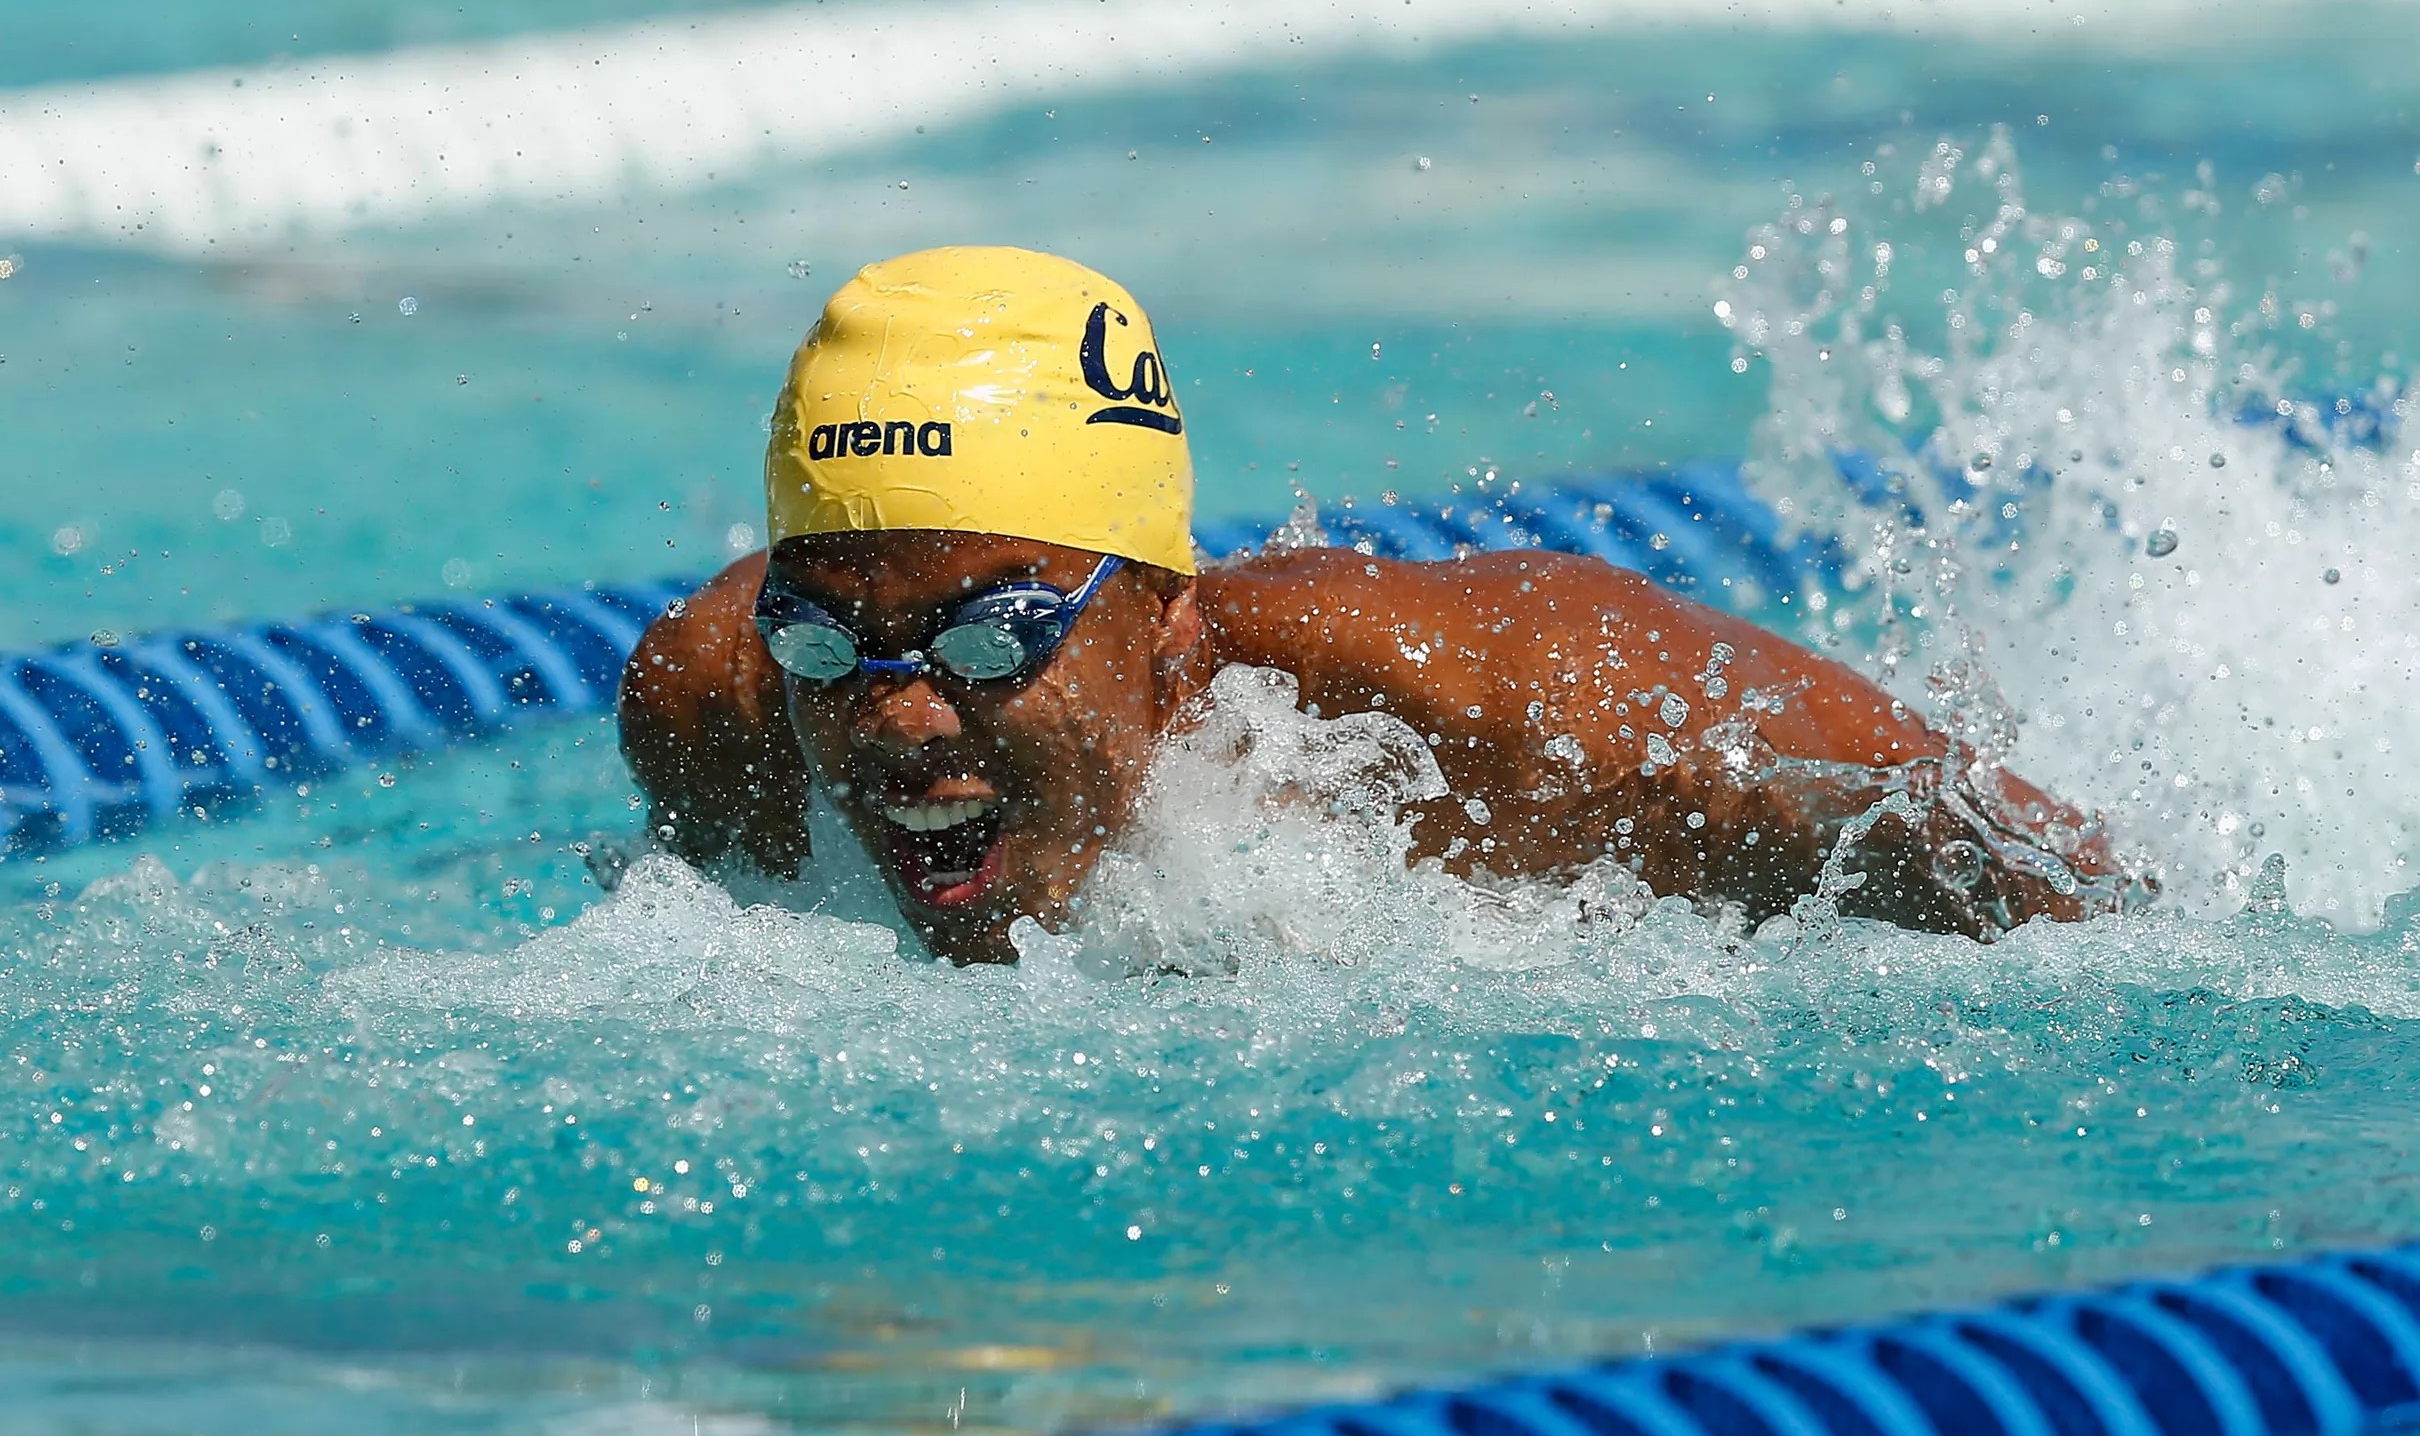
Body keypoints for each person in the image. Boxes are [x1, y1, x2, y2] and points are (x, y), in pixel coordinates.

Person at [620, 247, 2128, 965]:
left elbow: (2041, 870)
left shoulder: (1507, 715)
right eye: (827, 634)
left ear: (1169, 620)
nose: (892, 712)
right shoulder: (714, 709)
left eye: (990, 636)